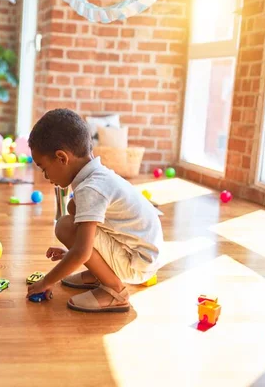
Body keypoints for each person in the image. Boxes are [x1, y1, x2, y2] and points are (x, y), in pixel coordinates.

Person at [26, 108, 163, 312]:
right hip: (138, 253)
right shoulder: (96, 176)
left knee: (65, 226)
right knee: (72, 211)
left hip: (137, 262)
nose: (46, 176)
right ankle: (100, 273)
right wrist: (71, 254)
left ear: (62, 158)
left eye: (44, 168)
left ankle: (115, 290)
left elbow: (82, 251)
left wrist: (46, 281)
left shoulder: (91, 189)